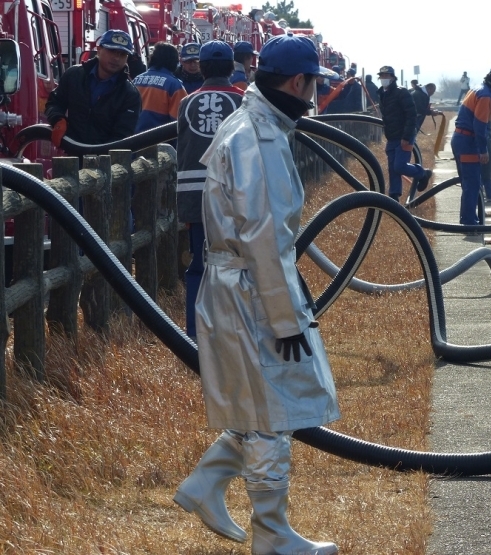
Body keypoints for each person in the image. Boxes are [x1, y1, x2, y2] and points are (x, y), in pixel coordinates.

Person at [175, 33, 339, 554]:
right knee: (273, 411)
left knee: (259, 403)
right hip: (251, 290)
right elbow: (263, 236)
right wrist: (284, 318)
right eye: (315, 84)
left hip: (241, 285)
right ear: (298, 82)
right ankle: (272, 537)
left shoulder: (252, 124)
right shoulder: (259, 138)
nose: (315, 94)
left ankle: (206, 484)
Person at [174, 40, 243, 343]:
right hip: (235, 198)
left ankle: (195, 335)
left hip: (195, 197)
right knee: (239, 264)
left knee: (200, 266)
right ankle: (235, 334)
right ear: (232, 67)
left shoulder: (187, 103)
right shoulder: (244, 103)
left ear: (200, 67)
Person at [45, 29, 141, 147]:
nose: (116, 58)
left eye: (122, 54)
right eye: (112, 51)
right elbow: (54, 103)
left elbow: (123, 136)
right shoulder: (73, 75)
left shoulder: (130, 94)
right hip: (70, 155)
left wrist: (98, 156)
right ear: (99, 50)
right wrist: (58, 120)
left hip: (106, 161)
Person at [451, 64, 491, 225]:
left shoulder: (478, 89)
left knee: (468, 183)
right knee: (472, 183)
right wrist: (483, 150)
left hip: (459, 138)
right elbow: (479, 125)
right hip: (468, 142)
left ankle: (468, 219)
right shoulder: (486, 95)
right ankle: (469, 221)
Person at [377, 65, 432, 201]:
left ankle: (422, 173)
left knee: (400, 166)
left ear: (393, 77)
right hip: (392, 136)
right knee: (392, 168)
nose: (384, 79)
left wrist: (406, 136)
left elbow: (411, 115)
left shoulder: (401, 93)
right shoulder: (382, 94)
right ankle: (394, 197)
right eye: (382, 76)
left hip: (404, 135)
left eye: (387, 76)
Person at [133, 42, 187, 133]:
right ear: (173, 61)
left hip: (133, 141)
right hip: (160, 142)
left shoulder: (137, 79)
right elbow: (180, 123)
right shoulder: (174, 85)